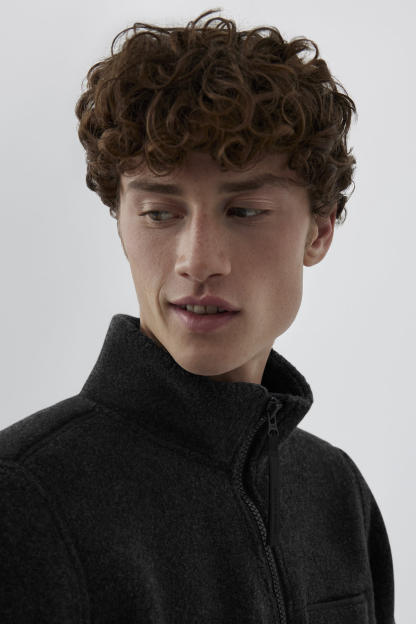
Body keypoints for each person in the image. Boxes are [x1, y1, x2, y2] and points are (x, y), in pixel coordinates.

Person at [0, 8, 395, 623]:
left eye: (245, 211)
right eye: (160, 213)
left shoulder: (334, 490)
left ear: (319, 231)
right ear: (121, 225)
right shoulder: (22, 496)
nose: (198, 261)